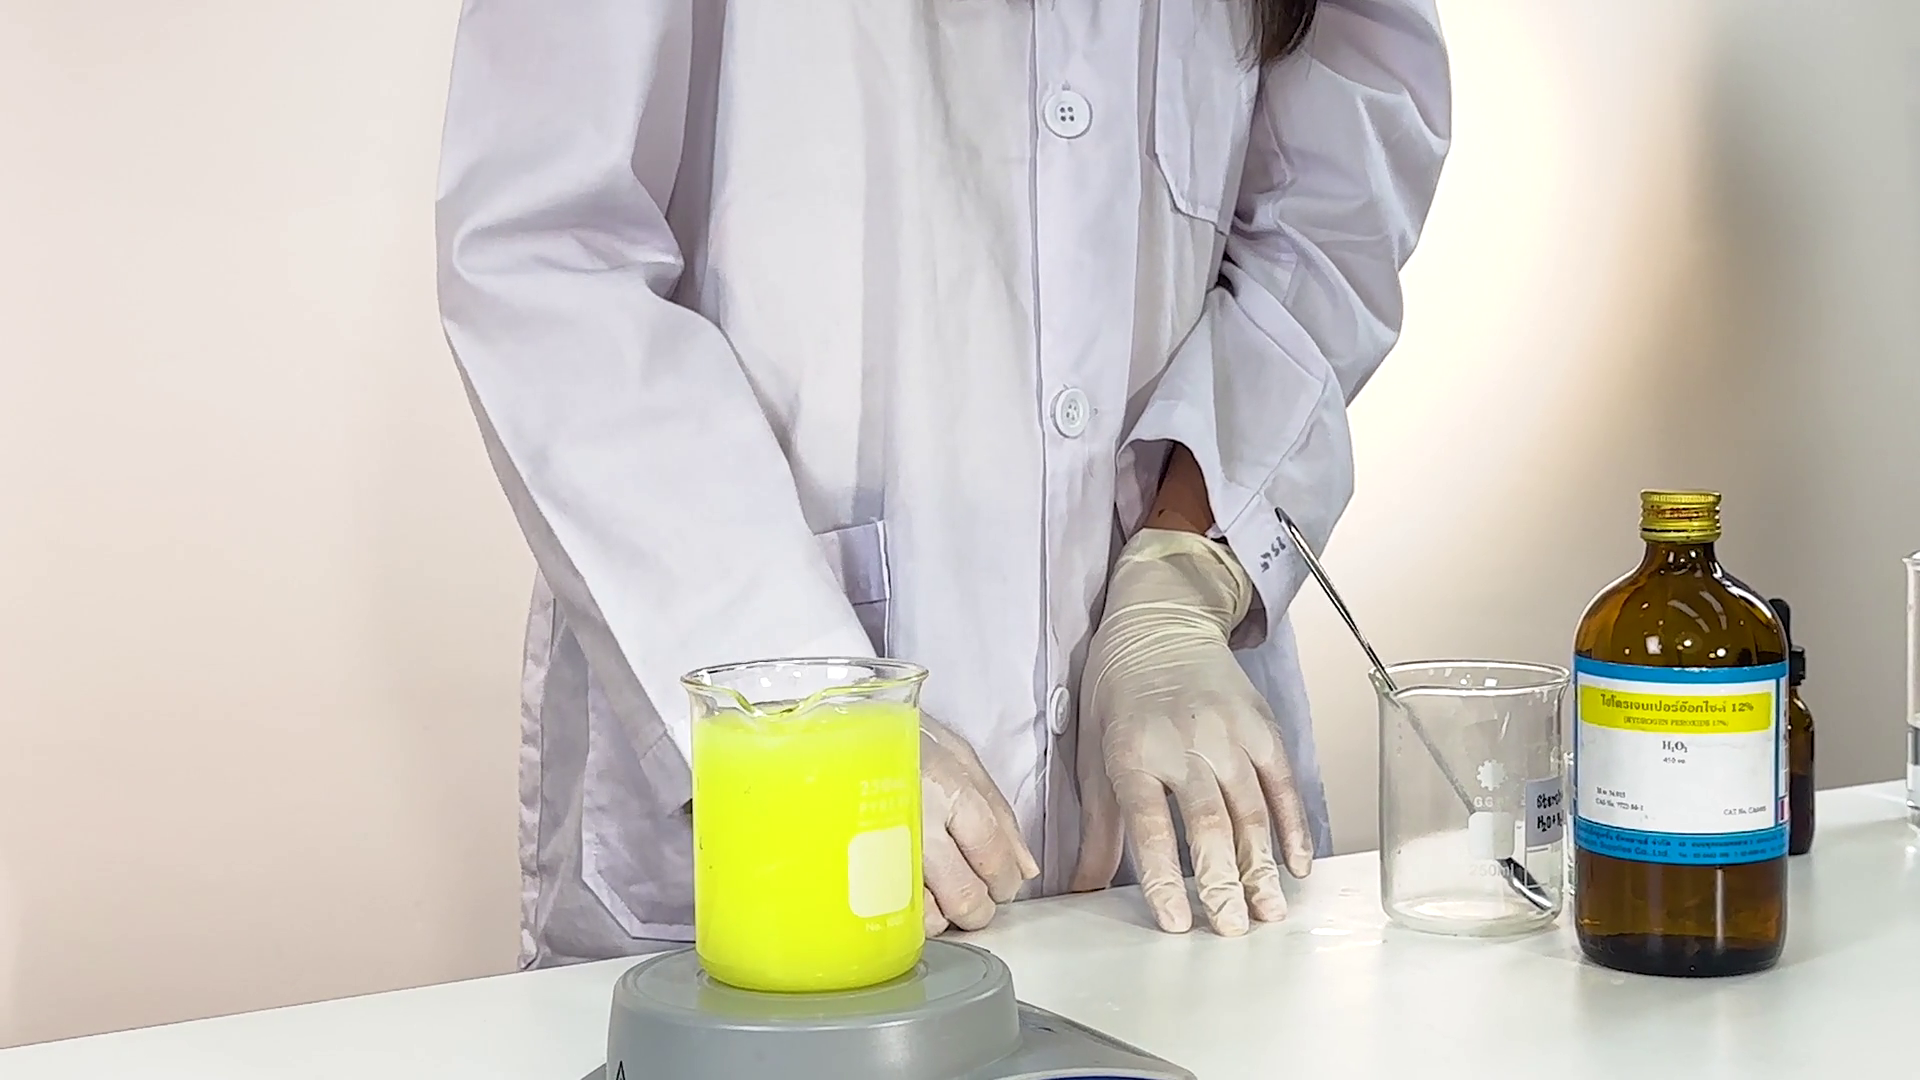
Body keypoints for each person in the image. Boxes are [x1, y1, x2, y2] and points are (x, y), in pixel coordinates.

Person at [435, 0, 1451, 968]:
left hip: (1169, 809)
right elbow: (551, 254)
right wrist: (801, 709)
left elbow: (1335, 215)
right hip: (751, 763)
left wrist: (1185, 570)